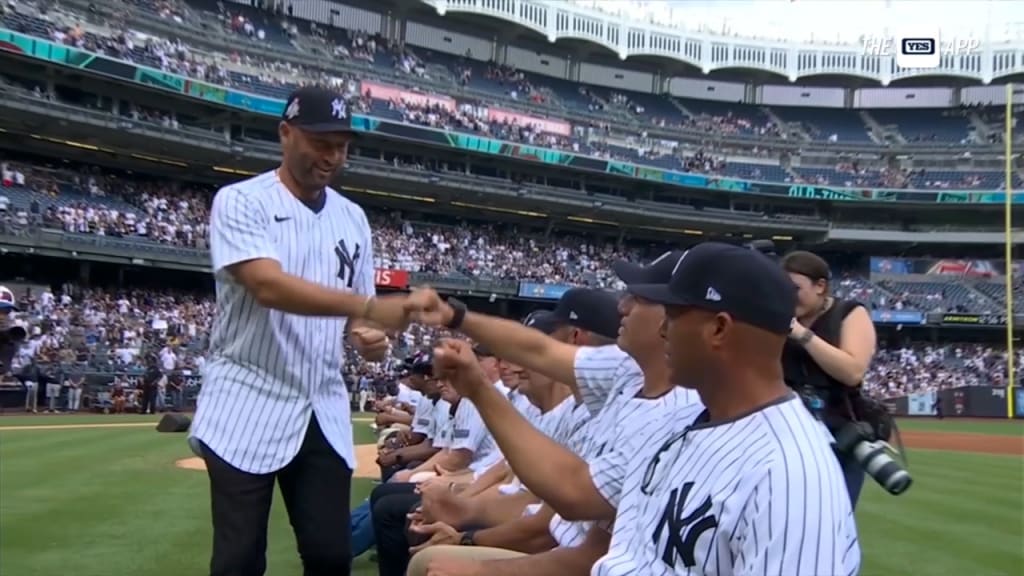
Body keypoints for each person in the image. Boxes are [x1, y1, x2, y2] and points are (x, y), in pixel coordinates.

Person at [421, 242, 860, 576]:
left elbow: (576, 499)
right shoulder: (678, 422)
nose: (663, 330)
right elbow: (600, 534)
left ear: (719, 330)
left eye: (672, 313)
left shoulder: (791, 472)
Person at [188, 85, 413, 576]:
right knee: (238, 559)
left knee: (332, 556)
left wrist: (369, 337)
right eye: (320, 142)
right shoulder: (241, 201)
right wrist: (369, 307)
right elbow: (268, 287)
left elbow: (360, 322)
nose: (332, 156)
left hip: (320, 404)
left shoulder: (353, 218)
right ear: (286, 134)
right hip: (246, 396)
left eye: (342, 146)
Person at [402, 256, 700, 576]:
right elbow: (539, 351)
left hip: (573, 561)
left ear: (670, 316)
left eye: (639, 298)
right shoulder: (629, 370)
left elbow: (575, 508)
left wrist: (470, 547)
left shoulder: (674, 415)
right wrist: (455, 315)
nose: (623, 306)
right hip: (562, 551)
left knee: (426, 561)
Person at [780, 250, 879, 507]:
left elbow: (852, 371)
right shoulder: (778, 314)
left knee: (836, 518)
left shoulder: (849, 313)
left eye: (795, 288)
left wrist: (801, 334)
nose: (788, 296)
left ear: (820, 286)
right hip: (789, 431)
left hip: (839, 432)